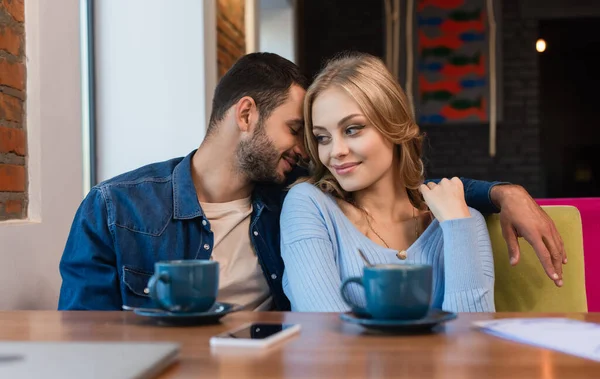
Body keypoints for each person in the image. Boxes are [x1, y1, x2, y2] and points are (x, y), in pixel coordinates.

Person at [58, 52, 565, 311]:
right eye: (305, 133)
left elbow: (406, 187)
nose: (318, 152)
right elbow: (85, 341)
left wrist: (500, 192)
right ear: (247, 114)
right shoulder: (116, 209)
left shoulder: (283, 196)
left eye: (346, 130)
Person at [281, 53, 503, 312]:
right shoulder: (310, 206)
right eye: (322, 137)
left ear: (392, 125)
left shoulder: (464, 221)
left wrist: (457, 227)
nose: (335, 151)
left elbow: (473, 341)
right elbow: (324, 332)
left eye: (352, 129)